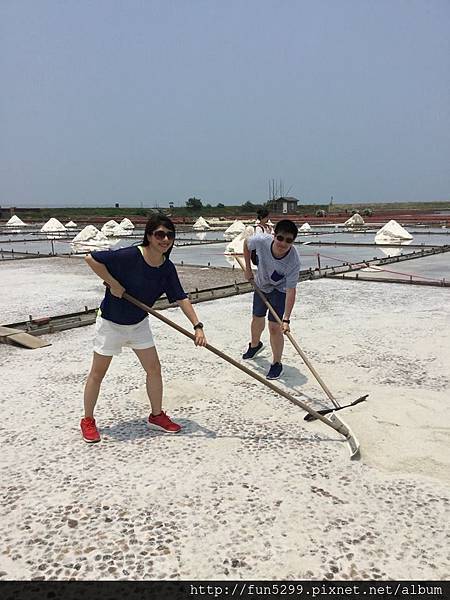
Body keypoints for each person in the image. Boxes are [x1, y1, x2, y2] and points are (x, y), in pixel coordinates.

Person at [80, 214, 207, 443]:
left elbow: (181, 297)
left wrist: (197, 326)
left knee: (154, 369)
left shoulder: (166, 268)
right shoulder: (130, 255)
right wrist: (113, 283)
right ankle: (87, 420)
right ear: (149, 236)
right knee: (98, 373)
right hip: (111, 322)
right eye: (159, 234)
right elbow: (91, 258)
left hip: (138, 323)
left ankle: (156, 415)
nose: (165, 239)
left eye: (169, 235)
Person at [242, 219, 300, 380]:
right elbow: (246, 244)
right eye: (280, 238)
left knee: (274, 327)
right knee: (256, 318)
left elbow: (291, 290)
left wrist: (286, 319)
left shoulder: (293, 262)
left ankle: (276, 364)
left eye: (289, 240)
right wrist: (248, 269)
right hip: (261, 285)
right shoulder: (262, 241)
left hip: (279, 291)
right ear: (274, 235)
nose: (283, 243)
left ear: (293, 241)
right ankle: (255, 345)